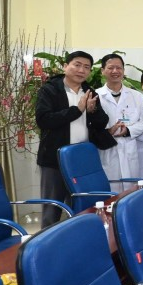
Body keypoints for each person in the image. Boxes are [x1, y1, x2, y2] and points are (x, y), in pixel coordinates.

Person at [35, 51, 109, 228]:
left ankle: (78, 238)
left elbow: (101, 123)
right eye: (77, 65)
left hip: (82, 160)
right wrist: (77, 110)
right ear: (65, 66)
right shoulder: (50, 90)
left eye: (86, 67)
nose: (81, 70)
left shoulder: (89, 91)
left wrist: (92, 111)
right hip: (55, 159)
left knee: (82, 205)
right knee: (52, 208)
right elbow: (44, 120)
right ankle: (48, 242)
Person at [95, 54, 143, 189]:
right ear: (102, 71)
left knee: (131, 191)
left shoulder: (136, 96)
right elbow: (91, 127)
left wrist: (128, 131)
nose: (115, 71)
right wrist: (109, 131)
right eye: (110, 68)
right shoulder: (95, 96)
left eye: (119, 68)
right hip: (107, 151)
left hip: (129, 149)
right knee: (110, 192)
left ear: (123, 71)